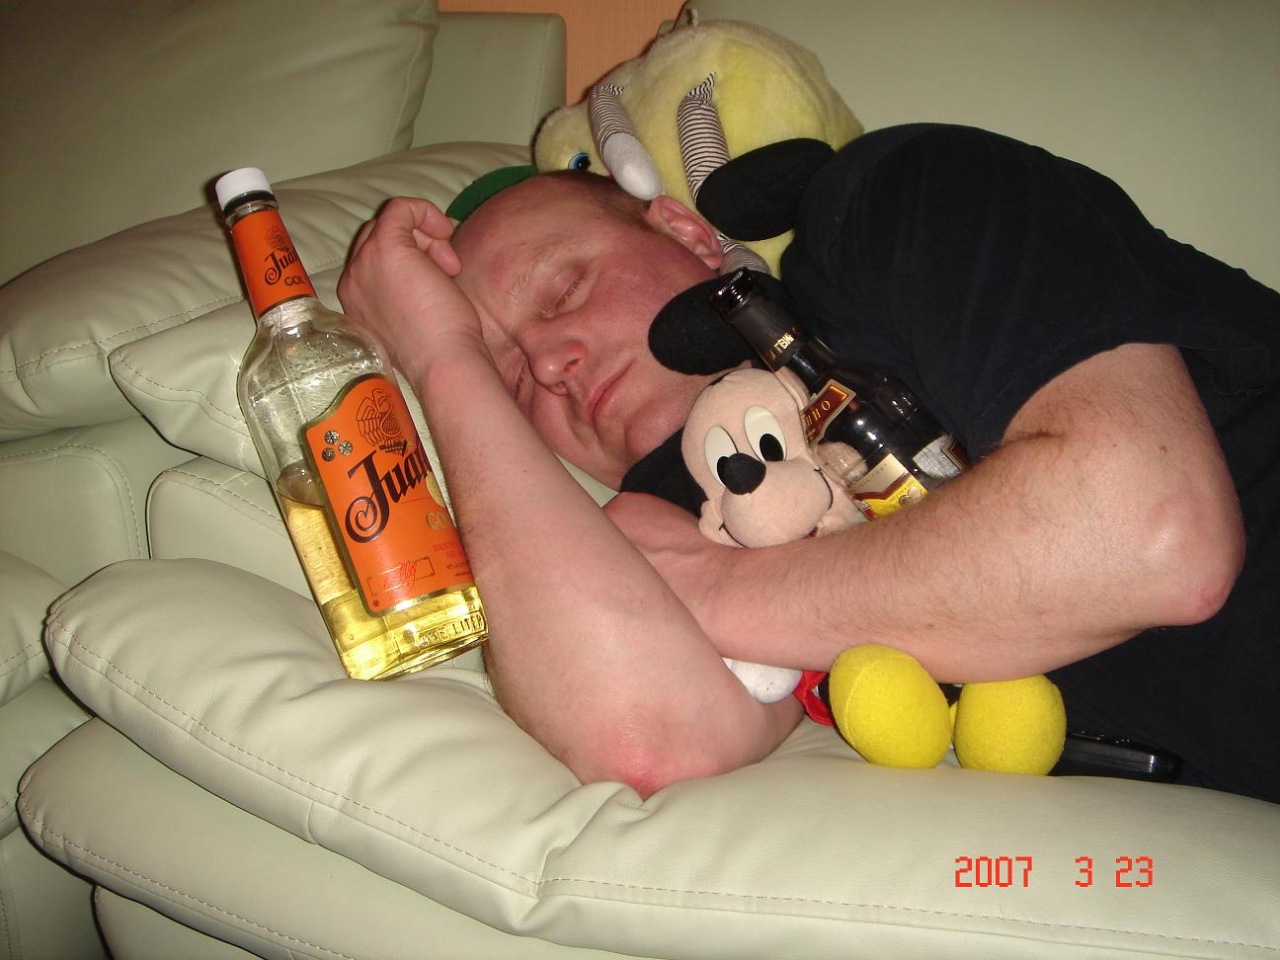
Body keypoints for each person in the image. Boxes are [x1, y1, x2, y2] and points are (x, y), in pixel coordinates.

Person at [337, 124, 1279, 803]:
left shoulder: (888, 203)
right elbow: (650, 739)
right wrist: (445, 363)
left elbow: (1151, 534)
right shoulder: (666, 524)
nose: (547, 364)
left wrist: (712, 592)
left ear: (686, 233)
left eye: (564, 290)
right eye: (512, 378)